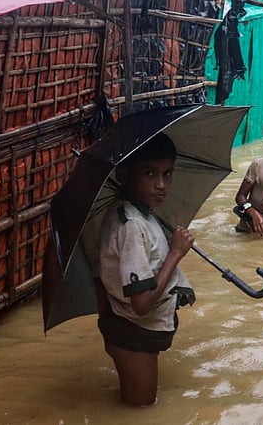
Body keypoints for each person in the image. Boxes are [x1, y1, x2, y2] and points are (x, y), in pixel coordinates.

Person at [96, 133, 196, 406]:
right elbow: (141, 304)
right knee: (139, 409)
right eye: (150, 173)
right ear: (124, 175)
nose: (161, 184)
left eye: (167, 173)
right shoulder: (131, 225)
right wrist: (175, 253)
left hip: (128, 327)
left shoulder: (142, 214)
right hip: (132, 333)